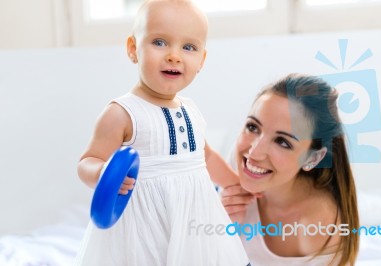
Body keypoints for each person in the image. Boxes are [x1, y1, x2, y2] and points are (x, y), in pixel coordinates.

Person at [74, 0, 250, 265]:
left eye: (188, 47)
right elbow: (87, 161)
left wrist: (236, 183)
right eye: (159, 42)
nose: (174, 56)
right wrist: (103, 172)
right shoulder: (122, 113)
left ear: (201, 60)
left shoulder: (191, 109)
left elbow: (207, 156)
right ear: (133, 49)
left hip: (193, 222)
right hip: (143, 230)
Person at [222, 74, 359, 266]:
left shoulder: (317, 227)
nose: (255, 152)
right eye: (253, 127)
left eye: (282, 142)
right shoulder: (241, 161)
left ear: (313, 158)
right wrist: (220, 223)